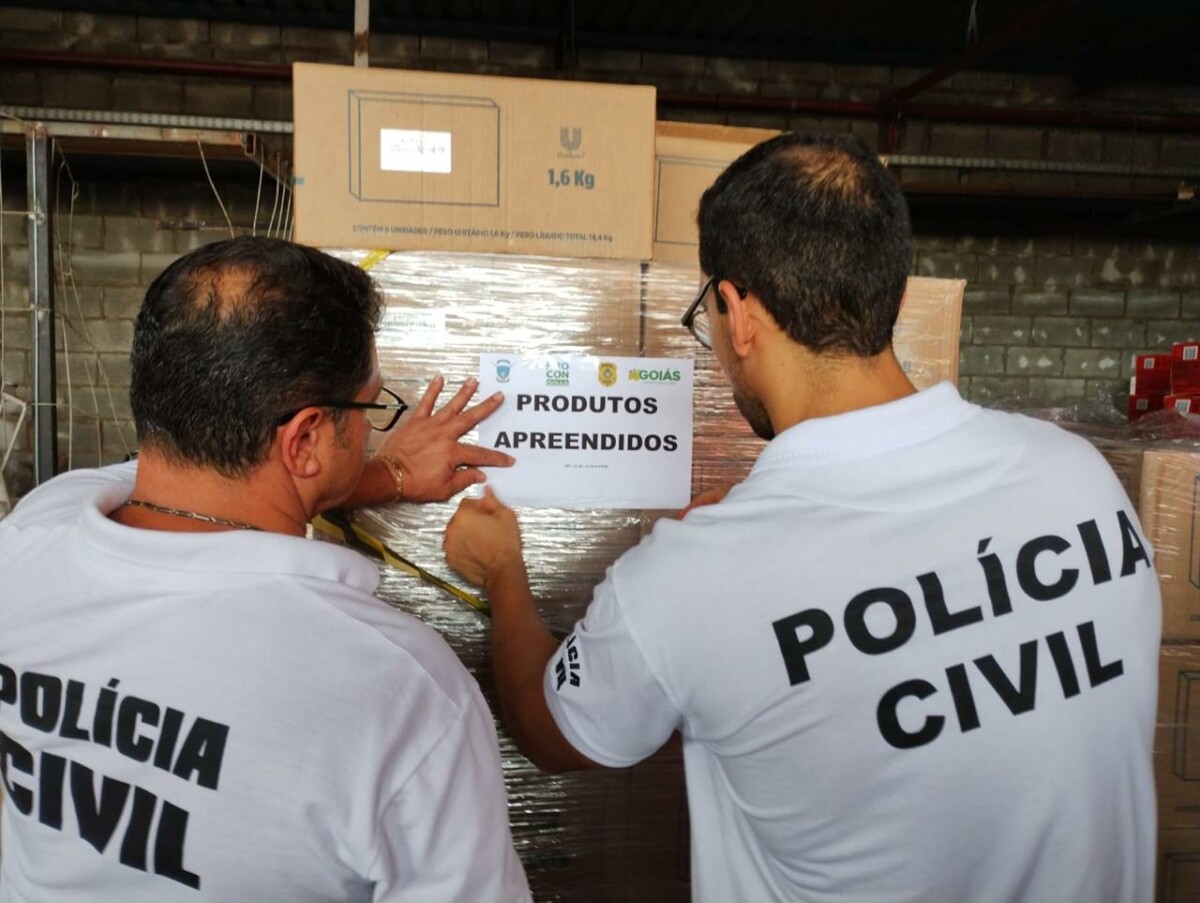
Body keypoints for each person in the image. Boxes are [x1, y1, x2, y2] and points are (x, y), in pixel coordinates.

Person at [443, 133, 1161, 903]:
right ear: (890, 290)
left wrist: (503, 571)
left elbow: (549, 728)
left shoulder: (693, 581)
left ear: (738, 312)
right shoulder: (1076, 474)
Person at [0, 237, 531, 902]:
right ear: (303, 439)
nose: (374, 431)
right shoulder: (398, 691)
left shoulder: (29, 538)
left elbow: (200, 490)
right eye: (371, 407)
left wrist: (387, 473)